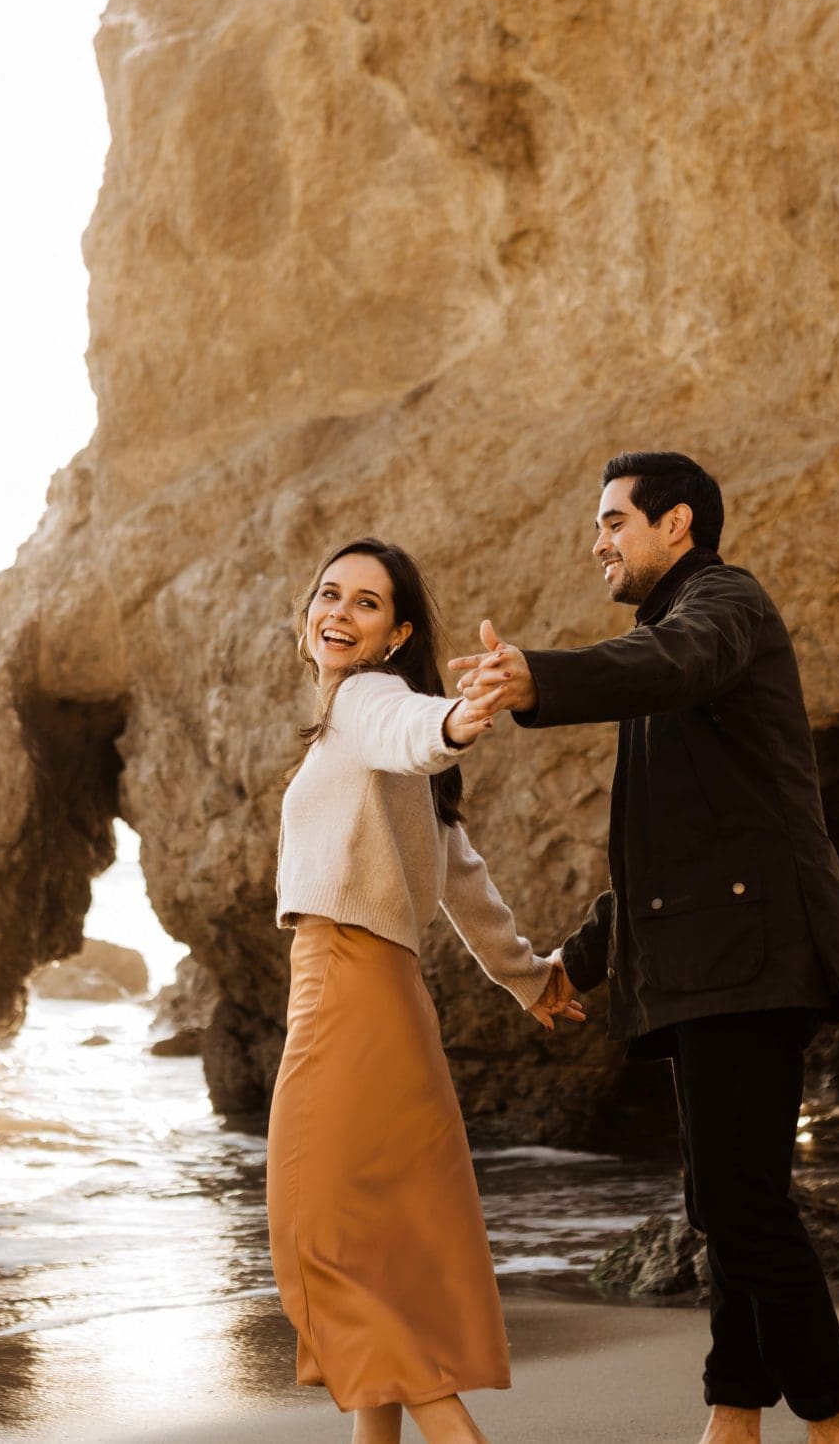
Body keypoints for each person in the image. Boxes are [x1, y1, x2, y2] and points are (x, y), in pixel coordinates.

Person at [451, 453, 839, 1444]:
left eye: (613, 521)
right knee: (724, 1201)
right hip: (715, 965)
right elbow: (661, 863)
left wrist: (538, 678)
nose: (597, 541)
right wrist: (574, 964)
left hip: (755, 961)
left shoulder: (723, 608)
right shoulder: (670, 641)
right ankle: (734, 1415)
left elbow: (673, 660)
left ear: (676, 524)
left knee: (739, 1207)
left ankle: (829, 1426)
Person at [268, 536, 585, 1444]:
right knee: (378, 1257)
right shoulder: (361, 732)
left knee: (318, 1250)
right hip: (394, 1003)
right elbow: (463, 878)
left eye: (368, 603)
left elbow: (414, 732)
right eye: (329, 594)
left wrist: (454, 720)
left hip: (340, 989)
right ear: (306, 615)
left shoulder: (374, 702)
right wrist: (530, 980)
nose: (340, 611)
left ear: (396, 631)